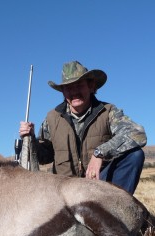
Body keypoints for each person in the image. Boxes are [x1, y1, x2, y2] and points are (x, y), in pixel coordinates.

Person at [19, 61, 147, 195]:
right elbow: (44, 157)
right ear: (63, 91)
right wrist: (30, 139)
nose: (74, 92)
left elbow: (137, 134)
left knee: (135, 155)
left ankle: (118, 208)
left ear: (91, 86)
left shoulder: (108, 112)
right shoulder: (51, 118)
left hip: (99, 186)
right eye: (68, 87)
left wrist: (100, 153)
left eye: (79, 85)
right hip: (63, 191)